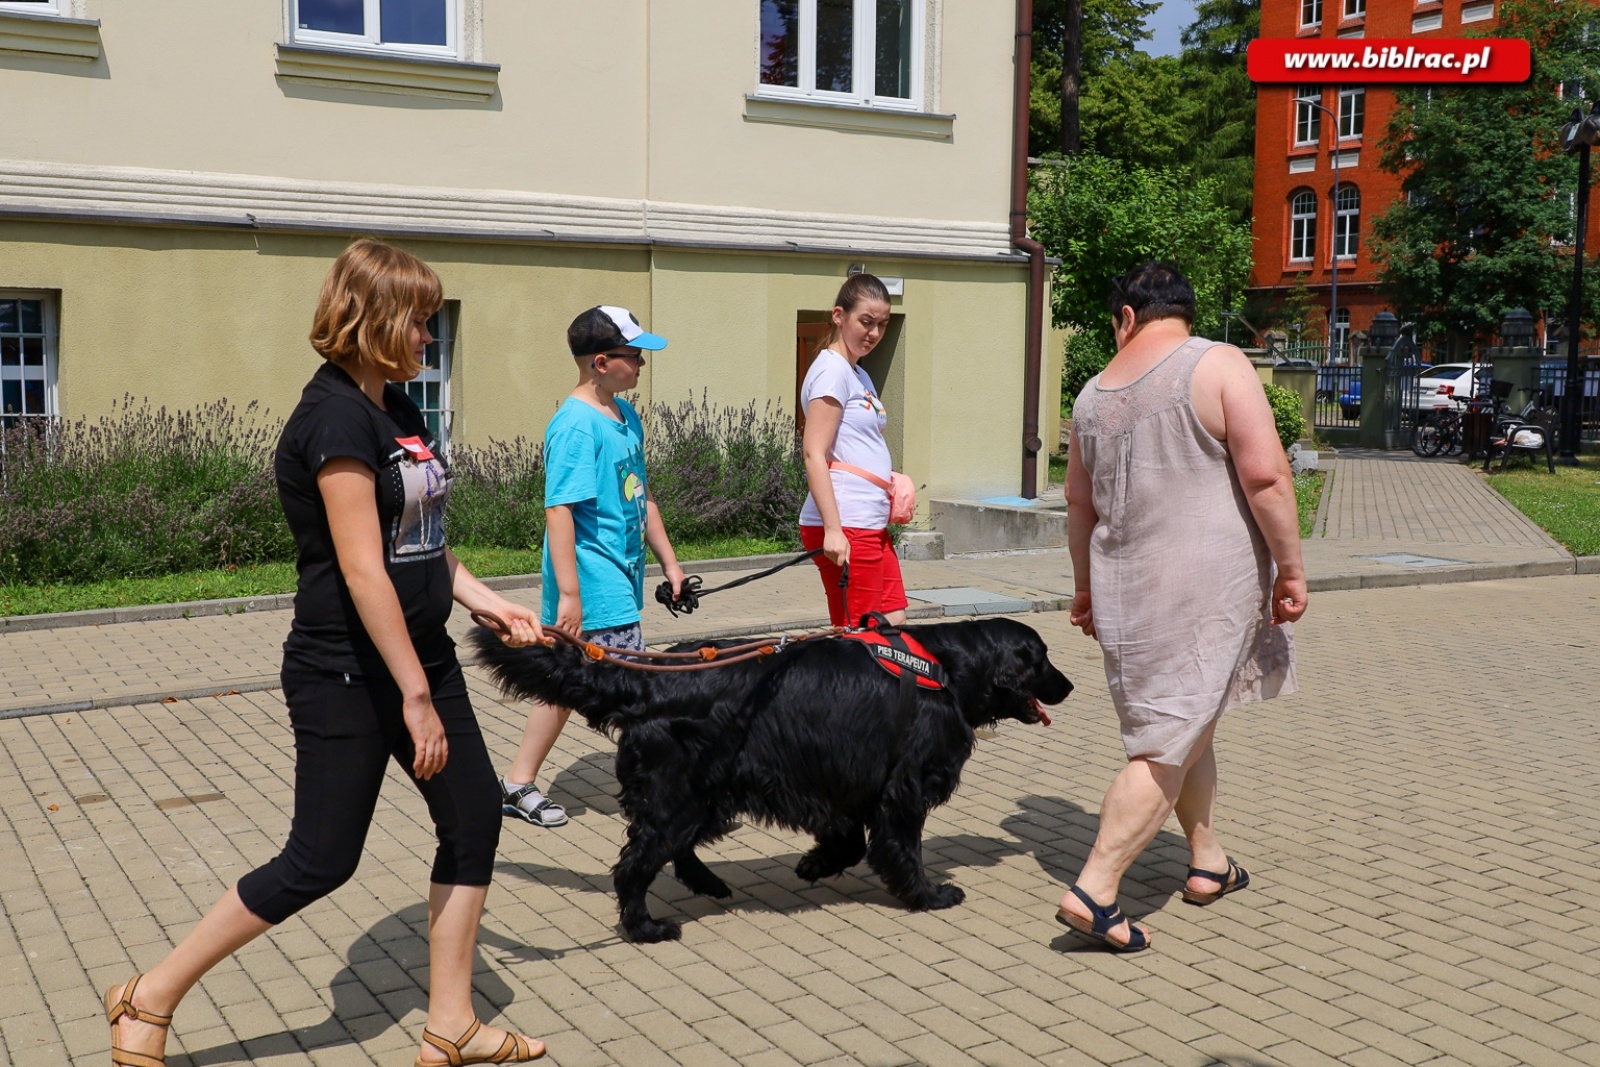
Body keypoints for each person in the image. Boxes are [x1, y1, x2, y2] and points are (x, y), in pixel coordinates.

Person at [102, 239, 548, 1066]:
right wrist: (413, 694)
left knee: (475, 815)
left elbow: (422, 543)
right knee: (321, 858)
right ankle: (149, 996)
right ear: (375, 319)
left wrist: (490, 603)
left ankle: (451, 1022)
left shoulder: (398, 411)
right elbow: (361, 566)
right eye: (419, 320)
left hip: (421, 658)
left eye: (431, 321)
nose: (428, 336)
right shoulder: (335, 418)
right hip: (347, 671)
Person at [1054, 262, 1307, 953]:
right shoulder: (1219, 362)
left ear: (1126, 317)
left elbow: (1078, 503)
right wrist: (1292, 568)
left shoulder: (1090, 395)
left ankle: (1207, 860)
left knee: (1189, 721)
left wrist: (1082, 585)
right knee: (1166, 741)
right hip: (1205, 586)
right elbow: (1265, 474)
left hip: (1123, 588)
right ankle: (1096, 888)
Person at [498, 306, 685, 828]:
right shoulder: (576, 424)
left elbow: (642, 498)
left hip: (623, 574)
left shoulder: (626, 418)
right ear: (601, 362)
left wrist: (669, 563)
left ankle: (516, 783)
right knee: (630, 688)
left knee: (567, 684)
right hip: (592, 579)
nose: (643, 364)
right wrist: (571, 596)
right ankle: (659, 790)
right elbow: (559, 509)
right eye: (634, 355)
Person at [799, 273, 907, 628]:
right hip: (847, 521)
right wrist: (833, 529)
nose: (874, 333)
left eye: (882, 324)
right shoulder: (832, 372)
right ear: (838, 316)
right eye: (866, 321)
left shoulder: (857, 373)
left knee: (893, 623)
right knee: (861, 638)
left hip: (868, 521)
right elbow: (814, 452)